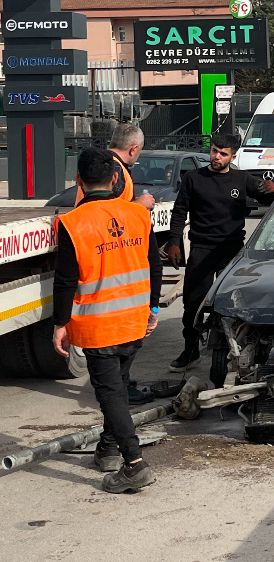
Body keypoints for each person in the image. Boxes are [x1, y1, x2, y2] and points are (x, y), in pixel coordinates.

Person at [52, 148, 163, 493]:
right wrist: (153, 308)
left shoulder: (71, 224)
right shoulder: (138, 215)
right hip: (134, 320)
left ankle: (134, 464)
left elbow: (66, 280)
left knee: (111, 394)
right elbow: (154, 266)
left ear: (78, 183)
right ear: (116, 179)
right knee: (118, 389)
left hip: (100, 326)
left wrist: (60, 324)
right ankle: (109, 448)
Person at [165, 133, 274, 379]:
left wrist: (273, 190)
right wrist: (174, 242)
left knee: (232, 303)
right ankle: (190, 350)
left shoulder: (242, 179)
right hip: (201, 249)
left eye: (223, 153)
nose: (217, 156)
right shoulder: (194, 179)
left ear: (233, 156)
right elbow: (179, 211)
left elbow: (271, 198)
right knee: (193, 303)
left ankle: (231, 349)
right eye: (215, 151)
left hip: (231, 251)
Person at [72, 123, 157, 405]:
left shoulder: (104, 165)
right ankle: (120, 393)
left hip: (98, 249)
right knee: (119, 340)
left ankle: (120, 388)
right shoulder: (116, 170)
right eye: (139, 152)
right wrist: (140, 206)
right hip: (110, 257)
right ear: (133, 148)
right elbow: (112, 214)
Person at [75, 123, 155, 211]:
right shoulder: (113, 167)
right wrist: (139, 204)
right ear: (133, 150)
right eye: (139, 150)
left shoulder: (97, 162)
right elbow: (104, 211)